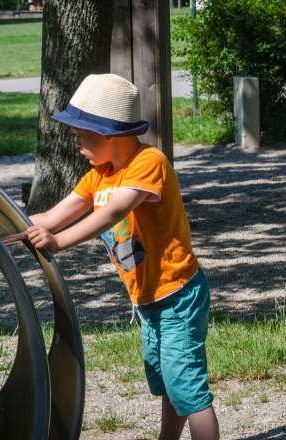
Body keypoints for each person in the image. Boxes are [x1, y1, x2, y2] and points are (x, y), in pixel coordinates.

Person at [26, 73, 220, 440]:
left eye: (83, 135)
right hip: (148, 300)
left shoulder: (149, 162)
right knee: (166, 381)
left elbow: (113, 213)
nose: (77, 142)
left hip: (177, 295)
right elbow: (50, 216)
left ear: (111, 135)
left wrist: (59, 242)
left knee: (188, 388)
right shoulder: (99, 175)